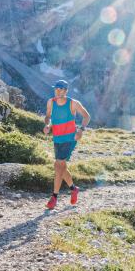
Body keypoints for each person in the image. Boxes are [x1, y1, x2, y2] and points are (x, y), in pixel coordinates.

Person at [42, 79, 91, 210]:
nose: (57, 91)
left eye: (60, 89)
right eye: (56, 89)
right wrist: (47, 125)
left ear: (65, 91)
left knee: (58, 165)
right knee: (60, 166)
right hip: (57, 138)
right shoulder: (50, 102)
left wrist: (81, 130)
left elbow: (86, 116)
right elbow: (48, 116)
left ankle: (54, 197)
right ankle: (73, 189)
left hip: (70, 138)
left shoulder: (73, 103)